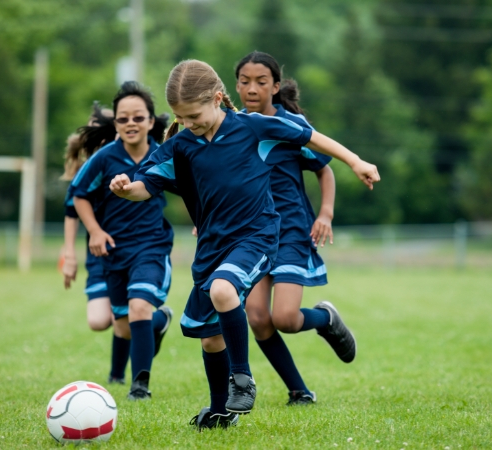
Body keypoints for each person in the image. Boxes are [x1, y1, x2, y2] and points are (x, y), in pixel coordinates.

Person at [109, 59, 379, 429]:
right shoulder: (181, 146)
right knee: (209, 338)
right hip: (212, 247)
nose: (189, 123)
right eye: (181, 117)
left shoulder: (251, 128)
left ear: (218, 98)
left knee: (224, 290)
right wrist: (125, 189)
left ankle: (243, 378)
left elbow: (309, 136)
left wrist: (355, 160)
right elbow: (146, 187)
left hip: (257, 236)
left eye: (194, 115)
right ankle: (221, 411)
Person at [234, 51, 351, 407]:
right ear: (235, 84)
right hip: (252, 233)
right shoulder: (232, 125)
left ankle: (325, 318)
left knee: (284, 317)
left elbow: (324, 169)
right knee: (256, 317)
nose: (252, 88)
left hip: (291, 231)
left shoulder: (290, 124)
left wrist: (326, 213)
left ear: (276, 86)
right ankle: (299, 390)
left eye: (261, 82)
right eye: (244, 81)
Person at [70, 82, 174, 400]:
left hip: (152, 247)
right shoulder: (105, 158)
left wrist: (201, 221)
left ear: (151, 122)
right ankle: (159, 321)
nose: (131, 123)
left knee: (139, 305)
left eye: (138, 118)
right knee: (124, 325)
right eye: (123, 118)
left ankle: (139, 386)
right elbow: (79, 195)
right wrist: (96, 231)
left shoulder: (162, 155)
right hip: (115, 253)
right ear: (115, 123)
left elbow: (193, 188)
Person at [60, 102, 130, 384]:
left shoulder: (127, 159)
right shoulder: (88, 167)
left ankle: (117, 376)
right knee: (99, 321)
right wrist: (70, 256)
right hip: (99, 255)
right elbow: (70, 210)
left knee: (122, 317)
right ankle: (156, 322)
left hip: (131, 250)